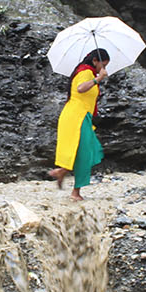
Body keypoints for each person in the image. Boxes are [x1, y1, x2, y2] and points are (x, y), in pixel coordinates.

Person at [47, 48, 109, 201]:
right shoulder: (86, 72)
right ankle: (75, 192)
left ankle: (62, 172)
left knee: (84, 150)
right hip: (76, 117)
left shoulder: (87, 72)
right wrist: (98, 79)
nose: (104, 68)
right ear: (95, 61)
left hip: (79, 116)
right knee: (85, 152)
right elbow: (81, 89)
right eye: (103, 65)